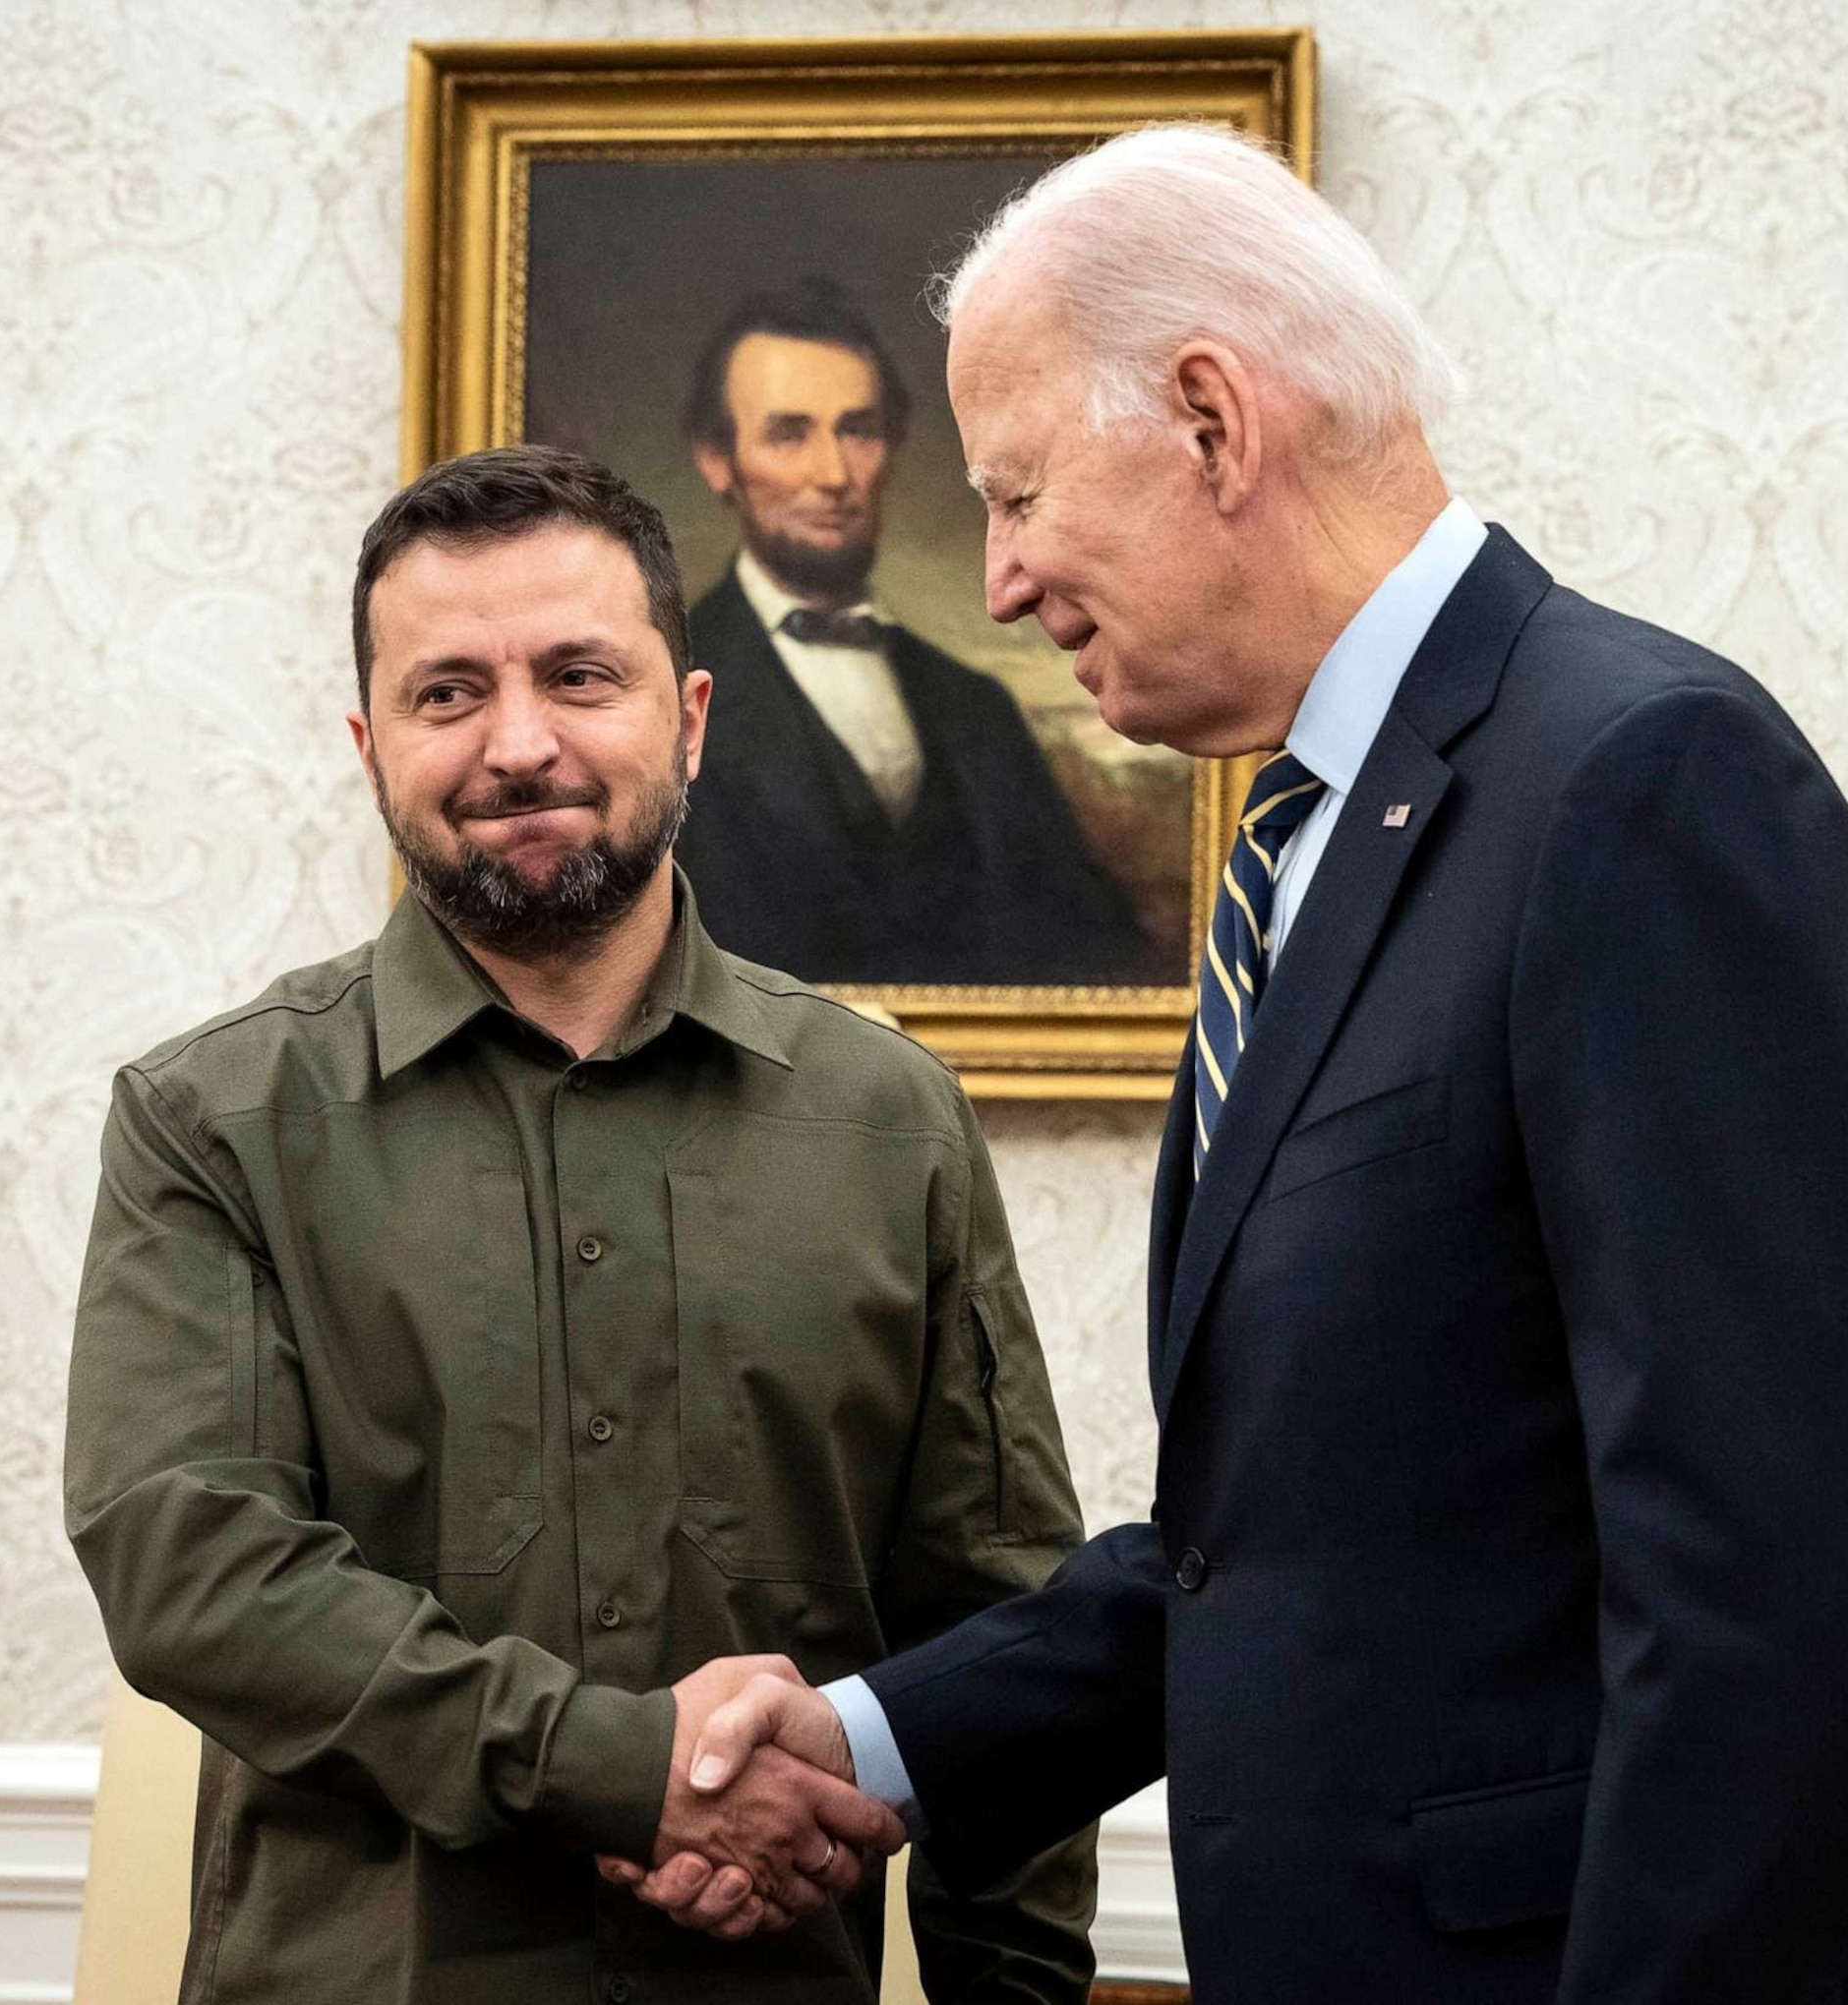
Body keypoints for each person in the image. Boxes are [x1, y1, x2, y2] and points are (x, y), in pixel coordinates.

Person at [618, 129, 1848, 2004]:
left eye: (1012, 492)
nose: (992, 578)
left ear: (1210, 421)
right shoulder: (1313, 836)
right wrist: (869, 1738)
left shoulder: (1642, 782)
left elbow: (1764, 1596)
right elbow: (1278, 1543)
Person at [63, 445, 1097, 2003]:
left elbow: (1003, 1627)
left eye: (578, 674)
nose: (518, 742)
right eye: (448, 691)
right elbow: (196, 1576)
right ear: (369, 745)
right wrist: (632, 1766)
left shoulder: (891, 1123)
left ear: (685, 715)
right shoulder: (213, 1119)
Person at [670, 275, 1165, 986]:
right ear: (719, 461)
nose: (834, 473)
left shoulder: (977, 709)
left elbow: (1097, 951)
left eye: (858, 430)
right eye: (790, 433)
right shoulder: (656, 693)